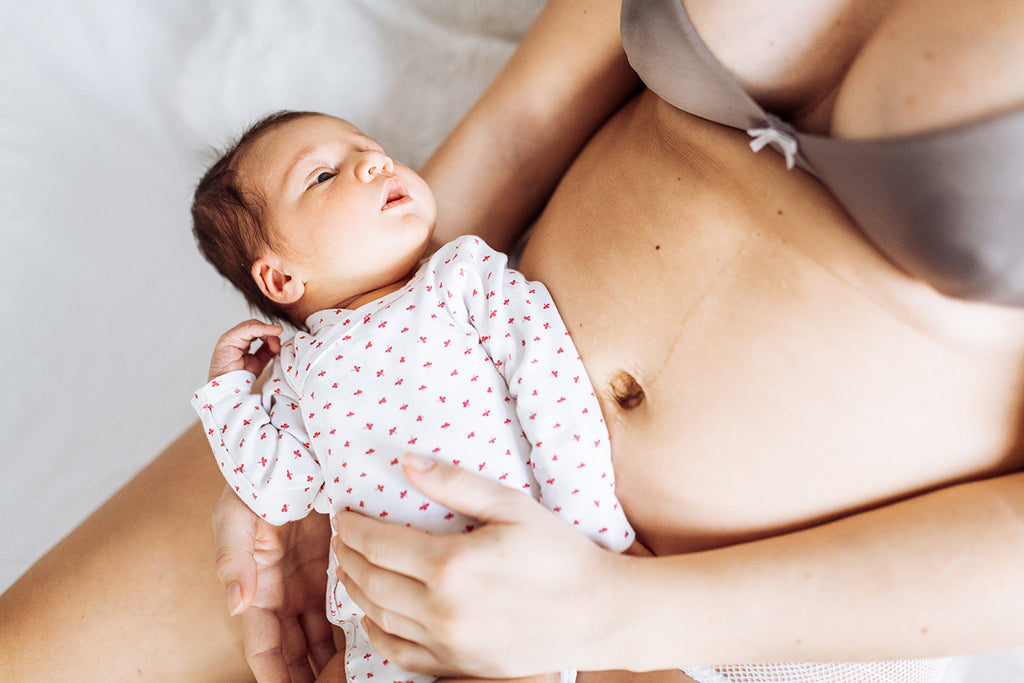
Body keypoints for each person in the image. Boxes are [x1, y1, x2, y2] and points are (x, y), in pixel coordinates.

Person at [3, 0, 1024, 681]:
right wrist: (318, 431)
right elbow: (523, 120)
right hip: (407, 399)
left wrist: (626, 612)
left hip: (655, 589)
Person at [189, 110, 633, 683]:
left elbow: (550, 384)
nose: (375, 163)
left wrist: (588, 533)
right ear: (279, 280)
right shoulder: (297, 369)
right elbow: (279, 491)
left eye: (372, 149)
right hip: (383, 623)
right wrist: (229, 396)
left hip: (511, 574)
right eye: (323, 176)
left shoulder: (461, 277)